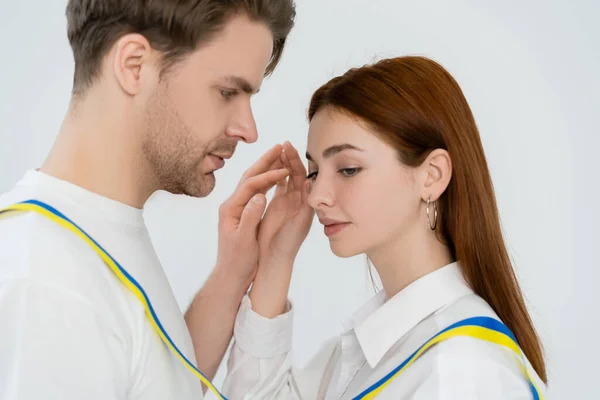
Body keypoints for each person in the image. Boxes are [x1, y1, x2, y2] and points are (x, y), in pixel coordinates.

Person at [0, 1, 301, 399]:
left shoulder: (90, 235)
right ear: (134, 66)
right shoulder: (45, 284)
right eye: (228, 91)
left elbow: (159, 383)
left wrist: (233, 272)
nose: (248, 129)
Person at [222, 56, 548, 399]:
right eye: (314, 173)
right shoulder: (370, 351)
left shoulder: (462, 371)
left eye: (348, 169)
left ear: (432, 175)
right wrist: (275, 256)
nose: (316, 195)